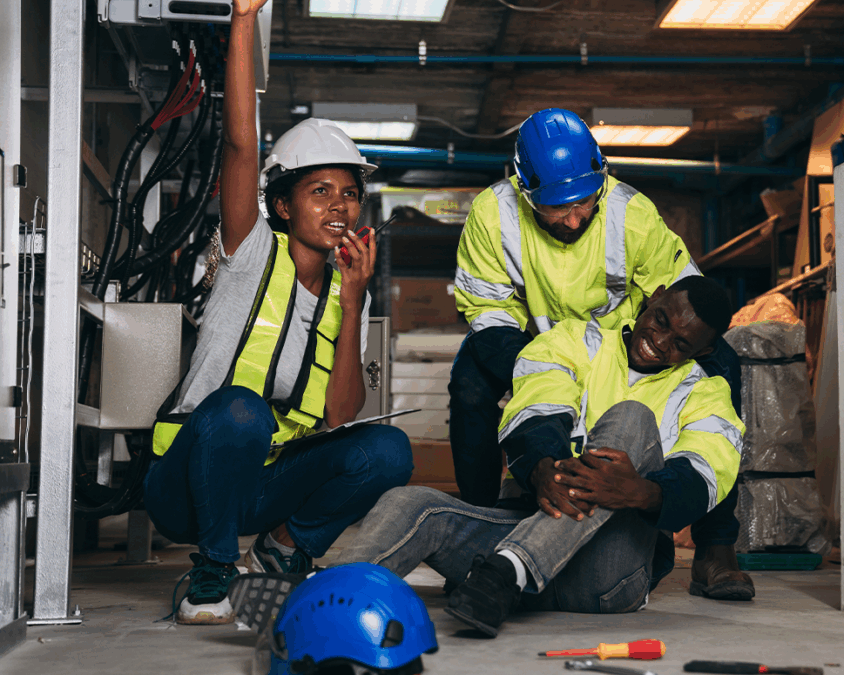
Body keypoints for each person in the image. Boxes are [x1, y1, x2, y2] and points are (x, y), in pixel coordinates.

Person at [142, 0, 413, 625]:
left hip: (264, 485)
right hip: (185, 486)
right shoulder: (251, 252)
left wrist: (353, 304)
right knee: (242, 409)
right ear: (283, 206)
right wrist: (242, 20)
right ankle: (212, 570)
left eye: (349, 193)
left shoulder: (349, 289)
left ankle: (282, 550)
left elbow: (341, 416)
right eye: (320, 191)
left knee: (387, 450)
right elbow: (241, 146)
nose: (339, 205)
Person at [450, 108, 753, 600]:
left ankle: (715, 547)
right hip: (536, 344)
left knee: (725, 365)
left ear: (601, 177)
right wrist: (539, 374)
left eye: (585, 202)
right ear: (524, 192)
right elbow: (487, 310)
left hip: (622, 347)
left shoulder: (632, 213)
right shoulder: (492, 213)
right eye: (556, 208)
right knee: (469, 383)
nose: (574, 218)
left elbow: (685, 298)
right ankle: (477, 523)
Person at [337, 277, 744, 636]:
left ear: (705, 350)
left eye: (681, 344)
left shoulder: (706, 394)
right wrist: (542, 465)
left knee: (632, 418)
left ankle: (508, 570)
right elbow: (538, 401)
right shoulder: (577, 340)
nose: (660, 341)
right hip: (516, 537)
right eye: (661, 320)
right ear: (654, 298)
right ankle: (331, 600)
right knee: (410, 503)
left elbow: (706, 472)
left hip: (605, 576)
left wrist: (641, 492)